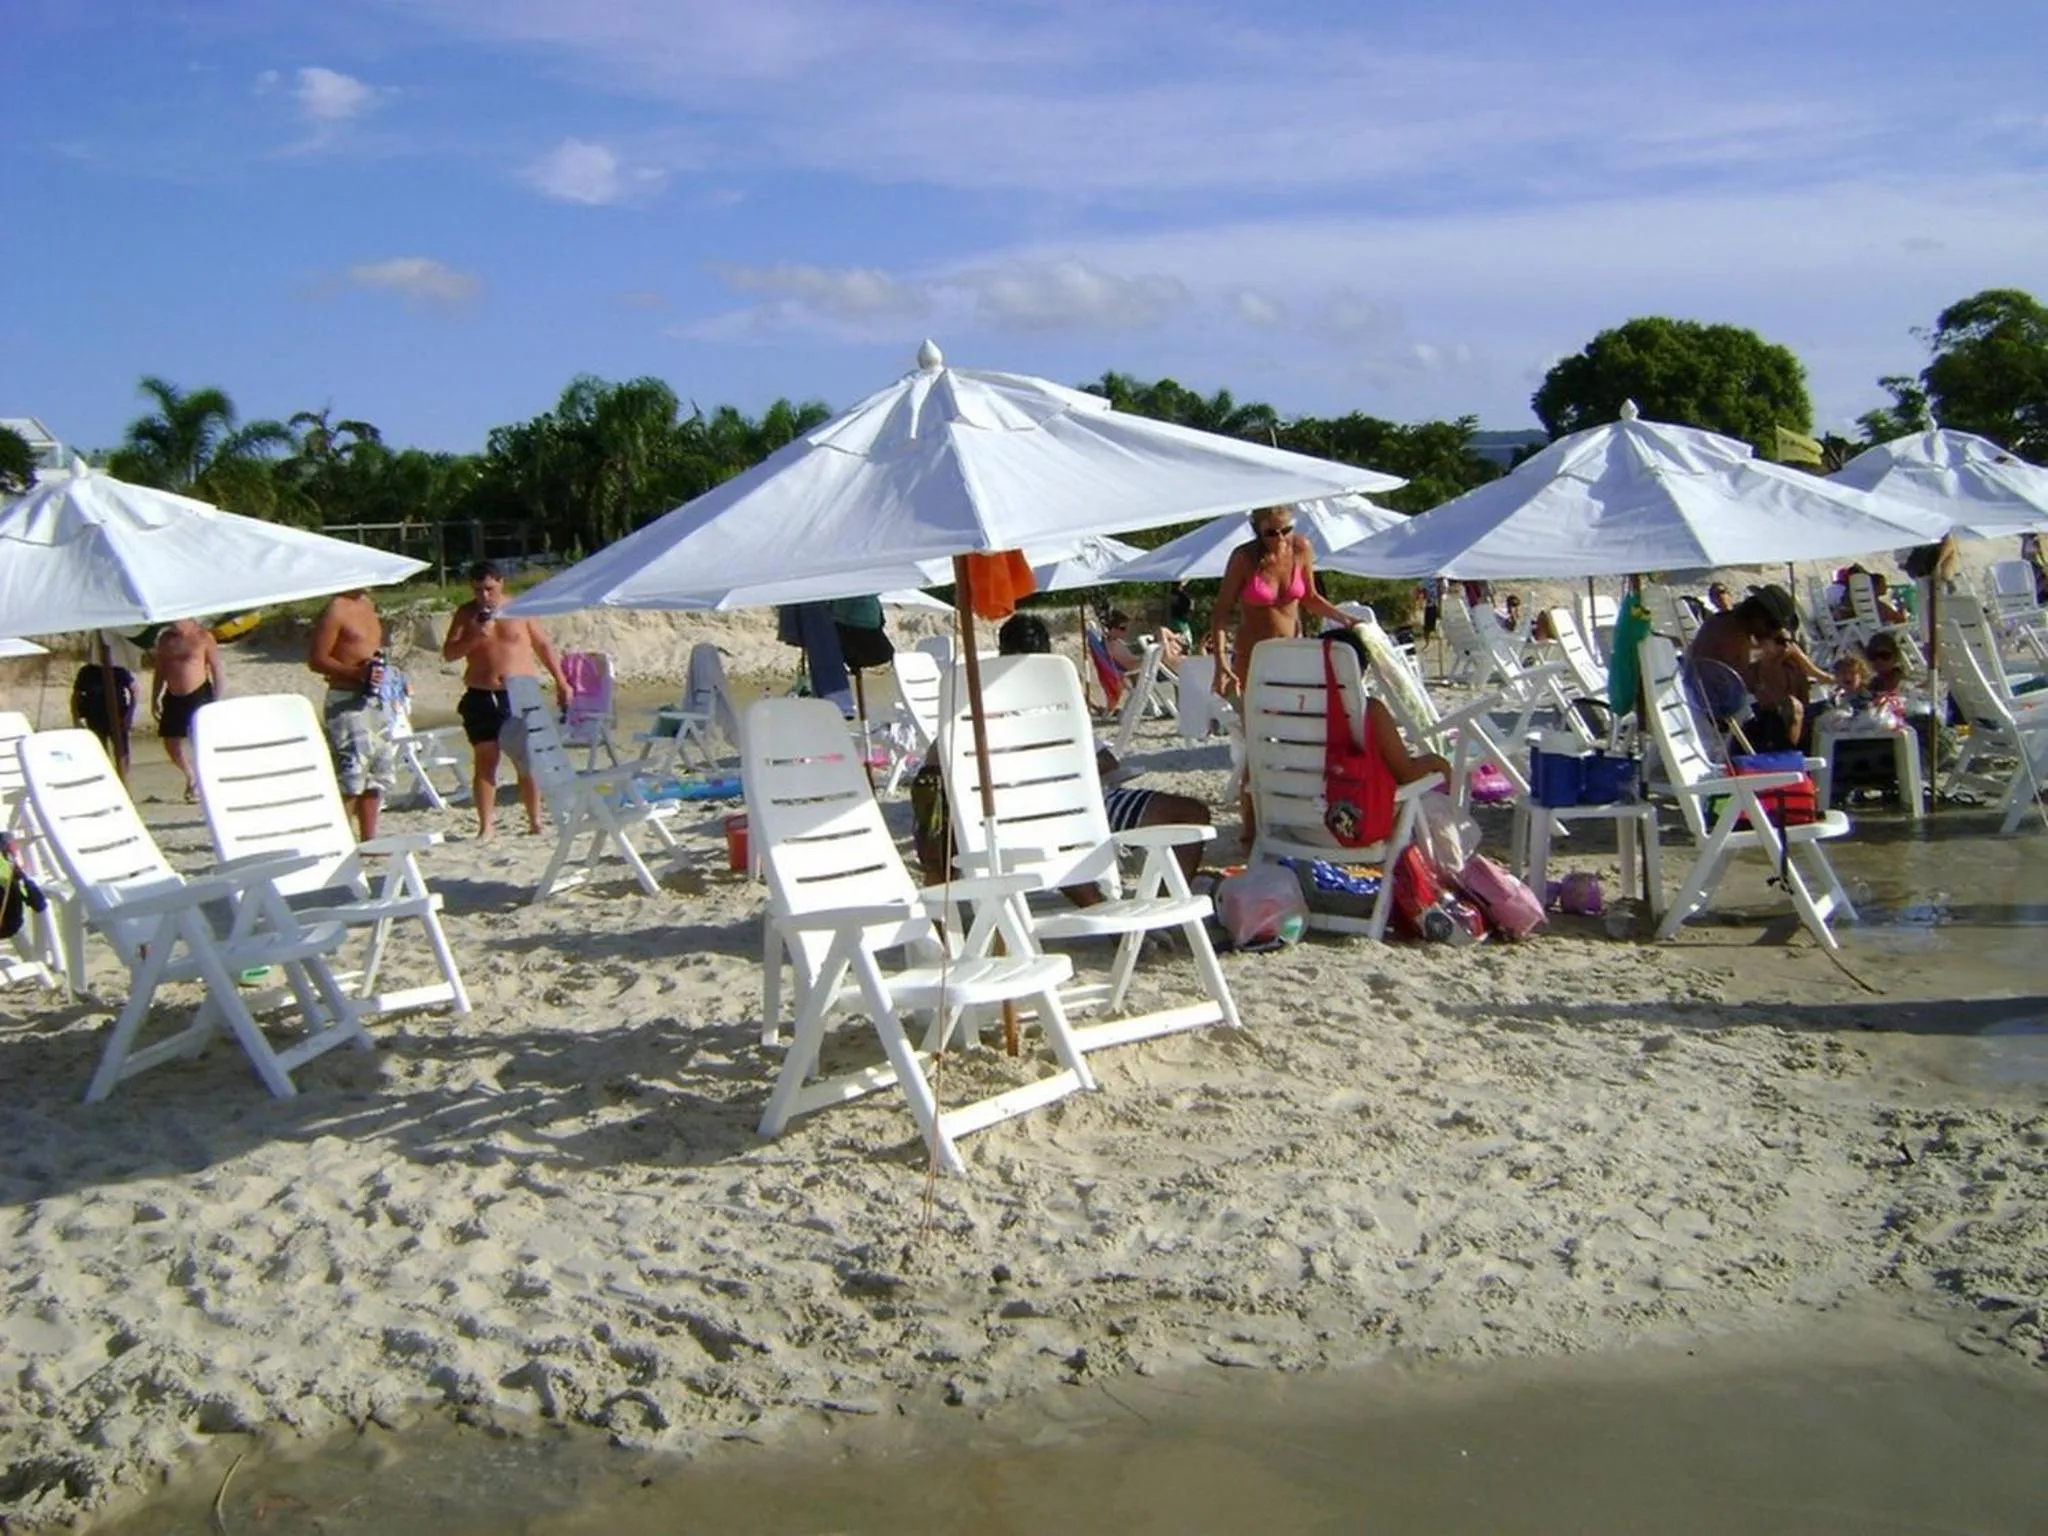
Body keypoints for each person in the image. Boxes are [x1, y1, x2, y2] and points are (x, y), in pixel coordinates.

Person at [441, 562, 571, 838]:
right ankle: (486, 825)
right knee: (486, 759)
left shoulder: (519, 608)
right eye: (478, 590)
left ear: (501, 583)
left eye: (489, 589)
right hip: (482, 692)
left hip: (518, 692)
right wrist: (475, 635)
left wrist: (561, 681)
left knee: (527, 759)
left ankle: (535, 821)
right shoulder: (467, 614)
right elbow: (450, 653)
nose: (484, 596)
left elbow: (542, 645)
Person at [1208, 505, 1352, 700]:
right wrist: (1221, 662)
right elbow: (1221, 613)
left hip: (1292, 654)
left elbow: (1310, 598)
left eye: (1286, 530)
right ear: (1257, 530)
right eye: (1271, 533)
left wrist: (1347, 620)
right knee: (1256, 725)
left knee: (1295, 721)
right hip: (1252, 656)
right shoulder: (1244, 558)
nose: (1280, 538)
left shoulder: (1301, 548)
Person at [308, 587, 401, 841]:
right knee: (351, 774)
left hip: (375, 698)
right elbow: (316, 659)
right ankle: (341, 838)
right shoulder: (336, 608)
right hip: (346, 698)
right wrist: (355, 673)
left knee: (378, 772)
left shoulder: (368, 603)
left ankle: (369, 839)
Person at [1321, 628, 1453, 789]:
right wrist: (1437, 762)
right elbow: (1405, 773)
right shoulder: (1369, 711)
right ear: (1360, 672)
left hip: (1300, 803)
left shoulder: (1294, 710)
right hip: (1354, 807)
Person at [151, 617, 224, 800]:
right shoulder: (166, 639)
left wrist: (217, 698)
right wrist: (154, 697)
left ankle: (201, 782)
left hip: (198, 693)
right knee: (170, 742)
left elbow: (216, 669)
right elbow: (160, 669)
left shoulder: (203, 637)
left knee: (200, 741)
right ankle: (190, 775)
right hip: (173, 694)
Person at [1751, 628, 1832, 750]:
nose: (1785, 646)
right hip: (1774, 718)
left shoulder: (1794, 663)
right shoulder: (1760, 667)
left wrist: (1800, 658)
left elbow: (1823, 677)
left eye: (1787, 642)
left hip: (1802, 714)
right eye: (1779, 642)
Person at [69, 657, 137, 762]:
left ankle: (123, 776)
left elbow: (134, 690)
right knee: (100, 753)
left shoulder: (117, 669)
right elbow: (76, 696)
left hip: (118, 717)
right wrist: (76, 718)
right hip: (95, 717)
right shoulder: (86, 671)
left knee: (122, 753)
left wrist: (129, 714)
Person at [1104, 609, 1184, 676]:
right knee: (1166, 638)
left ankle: (1174, 644)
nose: (1126, 631)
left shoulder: (1112, 642)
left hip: (1141, 661)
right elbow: (1161, 630)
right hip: (1140, 664)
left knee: (1170, 643)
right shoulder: (1112, 645)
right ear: (1112, 629)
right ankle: (1174, 646)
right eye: (1123, 628)